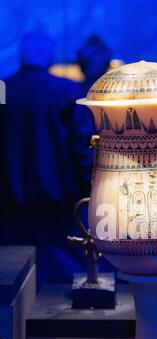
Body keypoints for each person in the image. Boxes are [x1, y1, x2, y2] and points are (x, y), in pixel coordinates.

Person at [0, 32, 89, 284]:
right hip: (59, 198)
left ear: (21, 55)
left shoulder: (3, 91)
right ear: (49, 56)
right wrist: (88, 190)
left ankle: (16, 323)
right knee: (62, 271)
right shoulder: (68, 90)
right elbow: (82, 147)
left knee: (12, 277)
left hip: (8, 199)